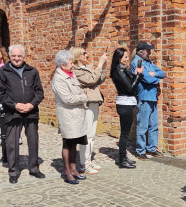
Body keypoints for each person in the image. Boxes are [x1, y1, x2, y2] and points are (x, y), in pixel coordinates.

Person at [0, 44, 45, 184]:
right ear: (9, 56)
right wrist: (14, 105)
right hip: (12, 112)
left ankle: (34, 168)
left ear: (24, 56)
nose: (17, 58)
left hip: (31, 112)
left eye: (19, 56)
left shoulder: (32, 71)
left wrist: (31, 104)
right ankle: (14, 171)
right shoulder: (3, 72)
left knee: (33, 141)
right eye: (14, 56)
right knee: (12, 144)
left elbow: (39, 92)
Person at [53, 50, 90, 184]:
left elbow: (78, 91)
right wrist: (83, 97)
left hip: (77, 116)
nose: (73, 65)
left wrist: (80, 96)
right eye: (70, 62)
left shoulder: (71, 74)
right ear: (62, 65)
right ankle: (67, 172)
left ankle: (74, 169)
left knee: (75, 143)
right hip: (68, 117)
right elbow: (67, 98)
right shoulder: (59, 78)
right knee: (68, 144)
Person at [71, 46, 108, 174]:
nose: (87, 55)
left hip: (94, 101)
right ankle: (83, 163)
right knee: (86, 134)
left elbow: (99, 79)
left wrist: (103, 67)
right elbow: (91, 80)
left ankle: (89, 161)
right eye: (84, 53)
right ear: (77, 56)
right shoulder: (76, 70)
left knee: (92, 134)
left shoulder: (88, 67)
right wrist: (99, 64)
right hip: (86, 104)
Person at [132, 41, 165, 158]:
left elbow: (162, 73)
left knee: (154, 124)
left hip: (152, 97)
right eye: (148, 50)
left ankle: (151, 148)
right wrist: (154, 77)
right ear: (141, 51)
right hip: (144, 97)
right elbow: (148, 80)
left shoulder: (148, 62)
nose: (150, 52)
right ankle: (140, 151)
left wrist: (153, 74)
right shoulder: (137, 62)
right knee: (143, 125)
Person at [110, 47, 142, 169]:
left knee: (126, 133)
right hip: (125, 103)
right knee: (124, 134)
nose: (128, 59)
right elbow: (130, 88)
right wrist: (138, 76)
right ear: (119, 59)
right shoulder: (119, 71)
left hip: (128, 103)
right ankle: (122, 159)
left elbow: (130, 84)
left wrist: (135, 75)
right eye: (126, 57)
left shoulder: (123, 70)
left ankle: (123, 157)